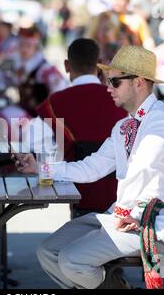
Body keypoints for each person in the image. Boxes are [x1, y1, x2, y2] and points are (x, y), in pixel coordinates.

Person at [14, 45, 164, 289]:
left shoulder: (163, 120)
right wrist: (41, 169)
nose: (107, 88)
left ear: (139, 82)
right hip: (122, 217)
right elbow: (90, 168)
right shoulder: (124, 125)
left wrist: (124, 211)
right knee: (48, 251)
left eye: (114, 82)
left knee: (72, 261)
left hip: (158, 226)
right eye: (108, 81)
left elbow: (142, 165)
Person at [36, 38, 126, 218]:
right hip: (122, 200)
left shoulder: (53, 104)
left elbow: (38, 145)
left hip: (78, 196)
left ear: (67, 65)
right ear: (100, 66)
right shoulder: (122, 101)